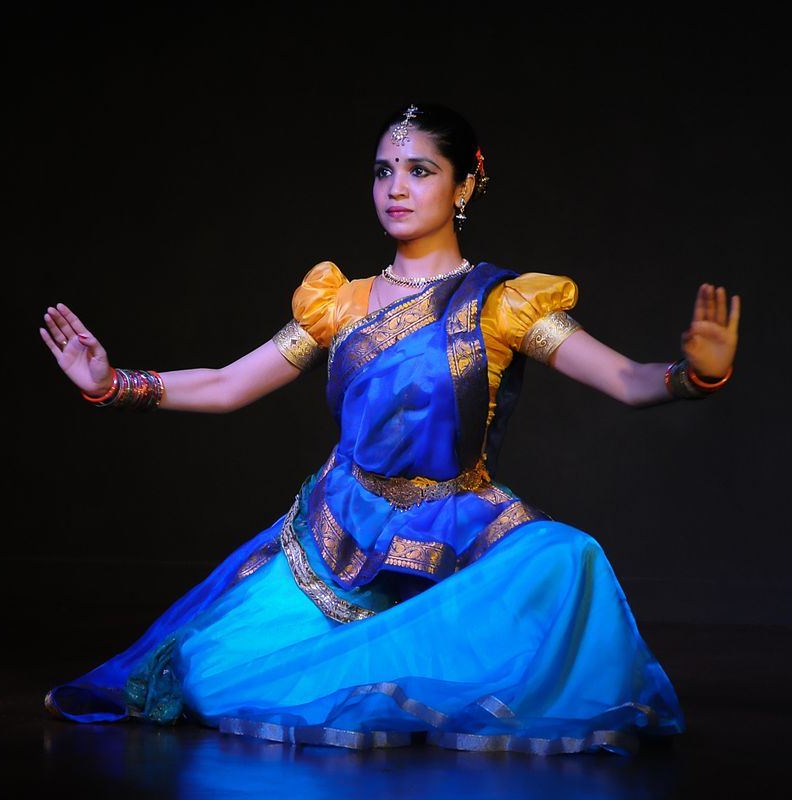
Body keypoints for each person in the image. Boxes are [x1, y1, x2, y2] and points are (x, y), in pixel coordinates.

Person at [40, 102, 739, 756]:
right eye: (384, 171)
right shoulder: (339, 304)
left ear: (466, 184)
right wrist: (116, 384)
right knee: (208, 671)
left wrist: (690, 373)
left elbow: (622, 379)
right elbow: (228, 385)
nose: (395, 188)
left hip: (458, 523)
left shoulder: (503, 305)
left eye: (420, 170)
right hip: (340, 530)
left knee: (567, 560)